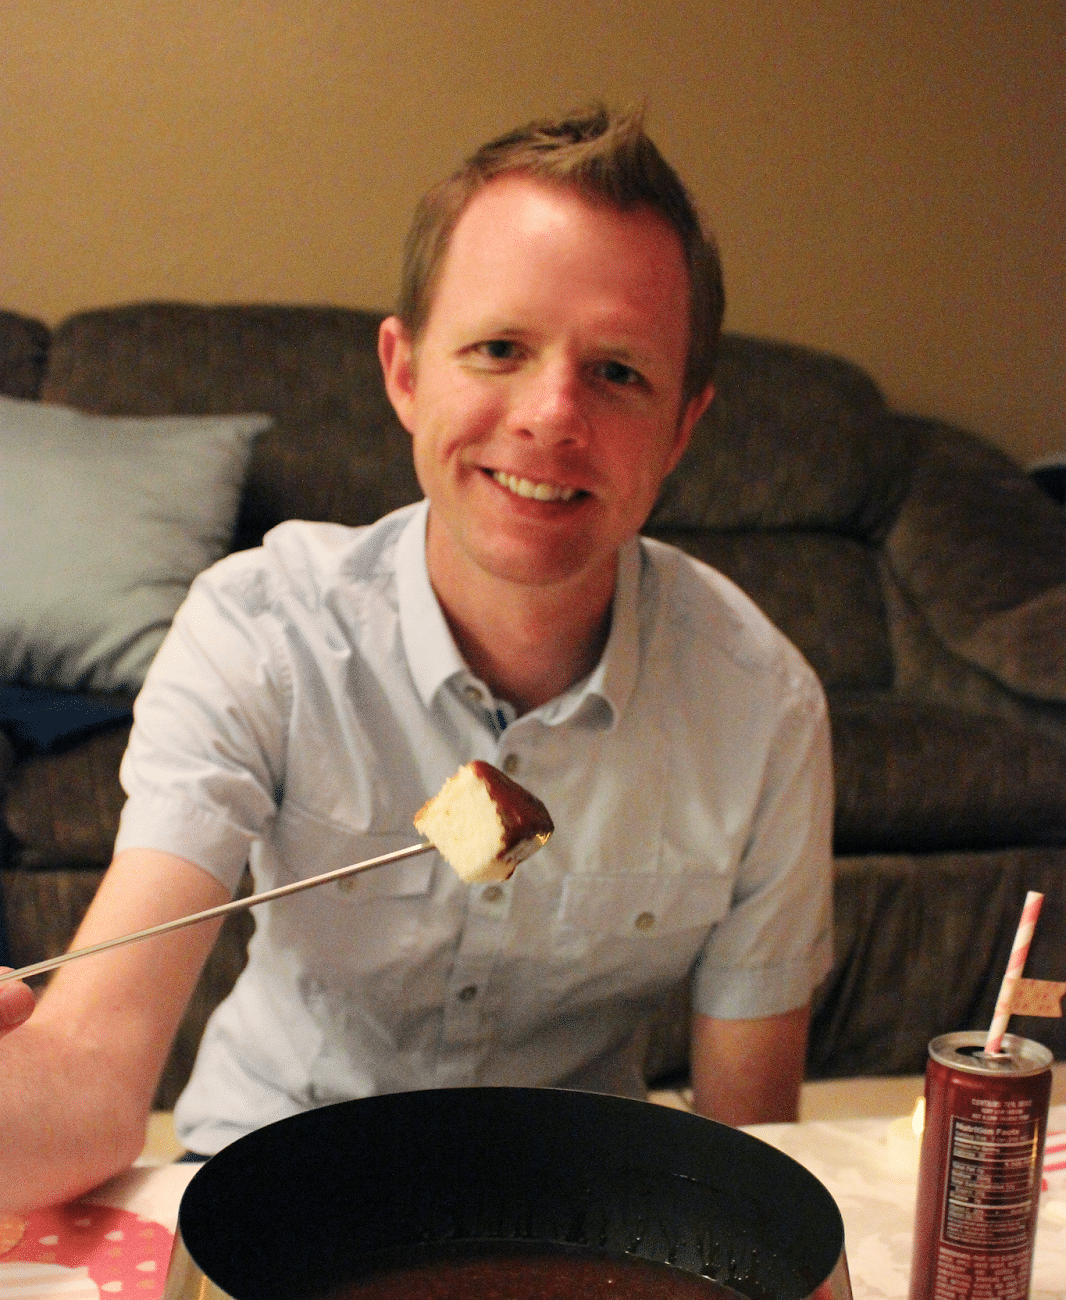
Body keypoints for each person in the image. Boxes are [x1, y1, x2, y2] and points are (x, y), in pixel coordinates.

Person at [0, 106, 832, 1211]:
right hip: (265, 1177)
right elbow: (92, 1076)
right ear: (404, 373)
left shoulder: (760, 706)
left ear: (683, 426)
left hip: (572, 1211)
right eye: (499, 348)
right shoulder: (261, 631)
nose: (550, 415)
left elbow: (749, 1151)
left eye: (619, 373)